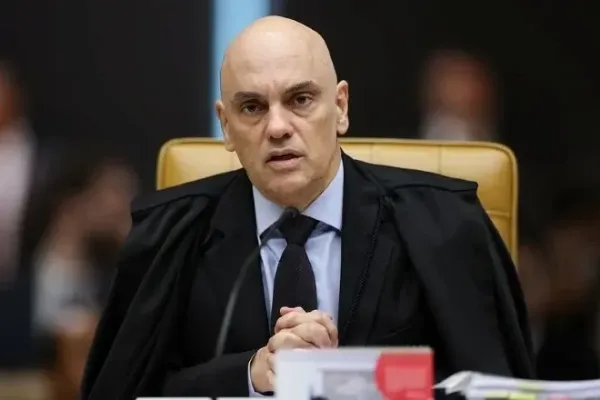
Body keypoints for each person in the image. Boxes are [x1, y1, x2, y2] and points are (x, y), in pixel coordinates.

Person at [82, 16, 534, 399]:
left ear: (340, 107)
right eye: (252, 107)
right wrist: (250, 375)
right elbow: (124, 391)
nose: (278, 127)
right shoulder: (170, 235)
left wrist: (350, 382)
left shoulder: (444, 224)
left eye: (300, 100)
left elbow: (495, 388)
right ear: (226, 126)